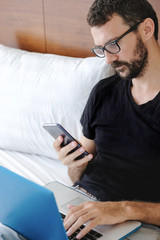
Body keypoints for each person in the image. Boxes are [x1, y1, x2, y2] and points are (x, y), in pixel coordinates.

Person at [54, 0, 160, 239]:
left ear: (146, 29)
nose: (108, 60)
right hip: (80, 207)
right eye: (101, 49)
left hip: (135, 223)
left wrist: (123, 209)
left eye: (113, 45)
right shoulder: (103, 92)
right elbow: (78, 174)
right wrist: (75, 164)